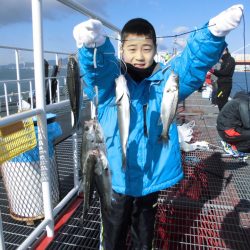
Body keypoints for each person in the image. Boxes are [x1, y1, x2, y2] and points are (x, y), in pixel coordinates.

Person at [73, 4, 243, 249]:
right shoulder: (111, 85)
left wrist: (212, 34)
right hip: (117, 178)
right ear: (121, 49)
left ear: (155, 49)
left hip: (152, 177)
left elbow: (191, 66)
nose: (139, 56)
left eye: (146, 49)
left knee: (145, 234)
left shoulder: (166, 82)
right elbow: (96, 72)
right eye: (132, 49)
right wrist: (93, 47)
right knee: (112, 235)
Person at [217, 91, 250, 157]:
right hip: (228, 132)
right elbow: (247, 125)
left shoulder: (237, 101)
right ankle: (234, 147)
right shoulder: (243, 104)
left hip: (224, 129)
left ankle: (231, 143)